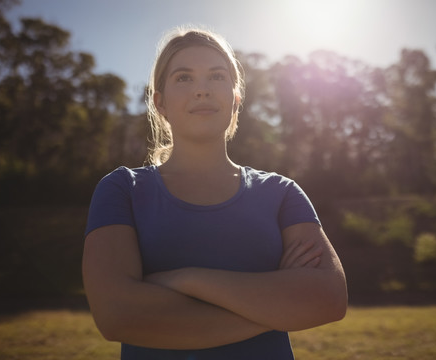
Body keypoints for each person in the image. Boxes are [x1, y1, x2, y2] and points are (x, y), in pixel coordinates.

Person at [82, 26, 348, 360]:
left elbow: (329, 299)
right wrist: (277, 306)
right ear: (159, 102)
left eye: (217, 77)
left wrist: (185, 279)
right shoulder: (122, 190)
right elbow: (117, 315)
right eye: (183, 78)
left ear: (236, 98)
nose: (202, 90)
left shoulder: (282, 193)